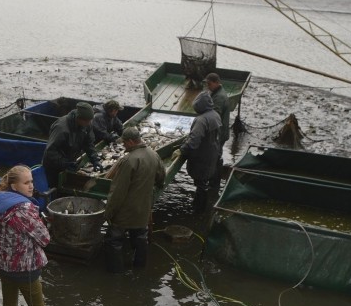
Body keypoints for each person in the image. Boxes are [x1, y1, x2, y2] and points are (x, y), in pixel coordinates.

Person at [0, 165, 59, 306]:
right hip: (24, 268)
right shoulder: (24, 209)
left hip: (3, 264)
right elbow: (44, 239)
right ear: (14, 185)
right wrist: (45, 224)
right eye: (26, 183)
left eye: (32, 181)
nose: (31, 186)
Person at [103, 126, 166, 272]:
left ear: (131, 142)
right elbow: (161, 177)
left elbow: (118, 191)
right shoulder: (154, 155)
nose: (123, 145)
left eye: (124, 142)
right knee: (140, 237)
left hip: (126, 212)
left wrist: (108, 213)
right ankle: (139, 270)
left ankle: (115, 275)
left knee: (114, 240)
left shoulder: (129, 160)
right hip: (143, 209)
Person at [42, 101, 104, 189]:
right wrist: (65, 163)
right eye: (87, 121)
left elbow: (88, 143)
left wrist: (94, 159)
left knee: (68, 185)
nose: (89, 123)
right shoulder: (61, 128)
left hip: (69, 160)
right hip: (53, 166)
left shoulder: (86, 124)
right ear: (79, 118)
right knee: (55, 187)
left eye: (90, 120)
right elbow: (50, 152)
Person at [180, 91, 222, 213]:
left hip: (202, 156)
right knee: (204, 180)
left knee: (201, 183)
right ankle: (202, 207)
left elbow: (194, 141)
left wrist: (182, 150)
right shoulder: (215, 114)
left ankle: (198, 209)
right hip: (213, 152)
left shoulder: (201, 120)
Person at [204, 73, 230, 188]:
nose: (208, 86)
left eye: (209, 84)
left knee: (214, 157)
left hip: (219, 134)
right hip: (221, 132)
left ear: (216, 82)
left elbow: (215, 117)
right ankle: (215, 182)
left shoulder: (219, 97)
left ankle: (214, 183)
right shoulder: (218, 93)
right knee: (216, 156)